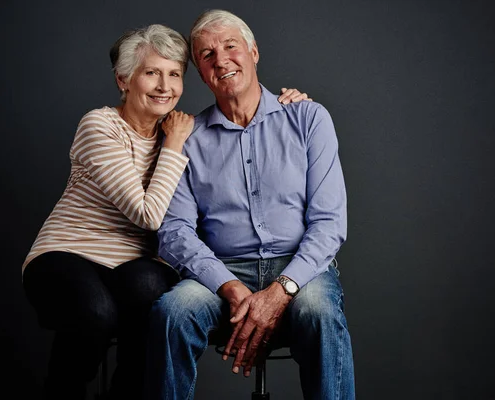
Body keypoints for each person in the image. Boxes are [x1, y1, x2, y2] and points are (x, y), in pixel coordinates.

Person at [21, 23, 309, 400]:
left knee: (157, 299)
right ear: (123, 79)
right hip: (69, 253)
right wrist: (174, 143)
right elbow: (148, 216)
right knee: (97, 314)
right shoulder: (101, 125)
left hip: (132, 263)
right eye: (151, 73)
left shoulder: (179, 132)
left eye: (174, 74)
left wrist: (288, 105)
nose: (164, 86)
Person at [145, 9, 355, 400]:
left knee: (320, 313)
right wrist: (229, 286)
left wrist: (280, 290)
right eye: (207, 55)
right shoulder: (188, 138)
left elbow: (329, 223)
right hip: (221, 271)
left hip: (299, 269)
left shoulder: (308, 118)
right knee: (172, 313)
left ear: (253, 52)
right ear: (201, 73)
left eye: (230, 46)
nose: (221, 60)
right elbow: (174, 231)